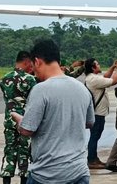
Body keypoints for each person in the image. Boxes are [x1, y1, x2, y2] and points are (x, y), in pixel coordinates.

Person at [11, 39, 94, 183]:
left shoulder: (40, 90)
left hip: (46, 174)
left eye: (33, 67)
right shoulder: (82, 89)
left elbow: (27, 130)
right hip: (79, 173)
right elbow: (89, 123)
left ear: (37, 62)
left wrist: (18, 119)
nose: (34, 72)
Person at [0, 51, 37, 184]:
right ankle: (24, 179)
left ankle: (6, 179)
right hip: (24, 121)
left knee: (9, 150)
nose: (31, 68)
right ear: (26, 62)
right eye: (31, 64)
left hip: (9, 120)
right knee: (24, 152)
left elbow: (7, 98)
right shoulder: (30, 79)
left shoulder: (5, 78)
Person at [84, 57, 117, 169]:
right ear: (93, 67)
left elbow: (105, 77)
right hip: (97, 114)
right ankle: (91, 160)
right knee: (94, 136)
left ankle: (94, 158)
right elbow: (114, 80)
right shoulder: (94, 80)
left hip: (98, 113)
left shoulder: (93, 78)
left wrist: (112, 67)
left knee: (95, 136)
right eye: (98, 64)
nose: (99, 65)